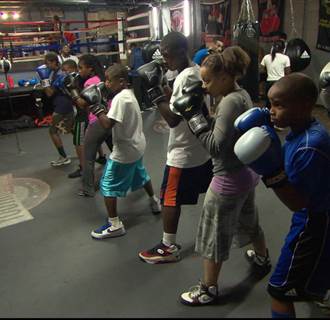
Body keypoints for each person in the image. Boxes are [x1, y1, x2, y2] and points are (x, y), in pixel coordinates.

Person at [175, 47, 270, 306]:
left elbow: (216, 146)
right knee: (250, 221)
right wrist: (207, 116)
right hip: (246, 174)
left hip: (227, 178)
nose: (204, 86)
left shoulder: (229, 101)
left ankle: (208, 288)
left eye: (208, 80)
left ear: (226, 76)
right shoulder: (241, 94)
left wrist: (194, 119)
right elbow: (229, 131)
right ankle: (262, 257)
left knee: (213, 235)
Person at [233, 73, 330, 318]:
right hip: (316, 214)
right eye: (269, 103)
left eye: (279, 105)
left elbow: (296, 203)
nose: (271, 111)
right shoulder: (300, 132)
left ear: (306, 105)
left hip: (315, 223)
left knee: (279, 291)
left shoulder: (310, 145)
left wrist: (272, 172)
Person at [137, 31, 213, 264]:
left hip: (184, 151)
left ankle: (168, 247)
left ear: (180, 52)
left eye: (168, 56)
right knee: (214, 191)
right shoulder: (193, 72)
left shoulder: (185, 78)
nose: (165, 61)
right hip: (200, 150)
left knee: (169, 198)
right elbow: (181, 104)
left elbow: (173, 119)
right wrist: (165, 90)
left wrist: (154, 93)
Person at [83, 63, 161, 238]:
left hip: (125, 150)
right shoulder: (129, 94)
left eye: (110, 81)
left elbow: (107, 124)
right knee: (140, 174)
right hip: (137, 144)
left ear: (121, 81)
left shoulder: (119, 99)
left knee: (108, 185)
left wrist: (96, 107)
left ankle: (114, 224)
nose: (107, 84)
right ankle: (154, 201)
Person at [69, 54, 113, 196]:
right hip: (110, 119)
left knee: (88, 157)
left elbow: (83, 105)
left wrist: (73, 90)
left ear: (91, 69)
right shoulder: (102, 79)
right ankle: (131, 178)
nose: (79, 71)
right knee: (119, 151)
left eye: (81, 68)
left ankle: (87, 188)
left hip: (97, 122)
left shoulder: (90, 83)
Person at [36, 52, 74, 166]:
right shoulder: (56, 72)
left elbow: (49, 93)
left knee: (53, 131)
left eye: (47, 63)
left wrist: (44, 80)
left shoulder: (59, 74)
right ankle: (92, 149)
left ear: (54, 62)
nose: (46, 66)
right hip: (66, 104)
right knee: (72, 129)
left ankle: (63, 157)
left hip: (62, 105)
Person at [61, 59, 88, 178]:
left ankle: (83, 168)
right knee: (90, 139)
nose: (65, 74)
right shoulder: (78, 79)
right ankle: (102, 157)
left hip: (83, 115)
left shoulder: (77, 80)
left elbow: (81, 102)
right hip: (85, 114)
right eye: (63, 71)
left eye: (67, 71)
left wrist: (73, 90)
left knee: (78, 141)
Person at [260, 40, 291, 109]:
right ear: (283, 49)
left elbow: (261, 70)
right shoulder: (285, 58)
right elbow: (288, 73)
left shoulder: (266, 57)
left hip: (269, 83)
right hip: (280, 83)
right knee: (280, 104)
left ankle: (267, 118)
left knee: (269, 104)